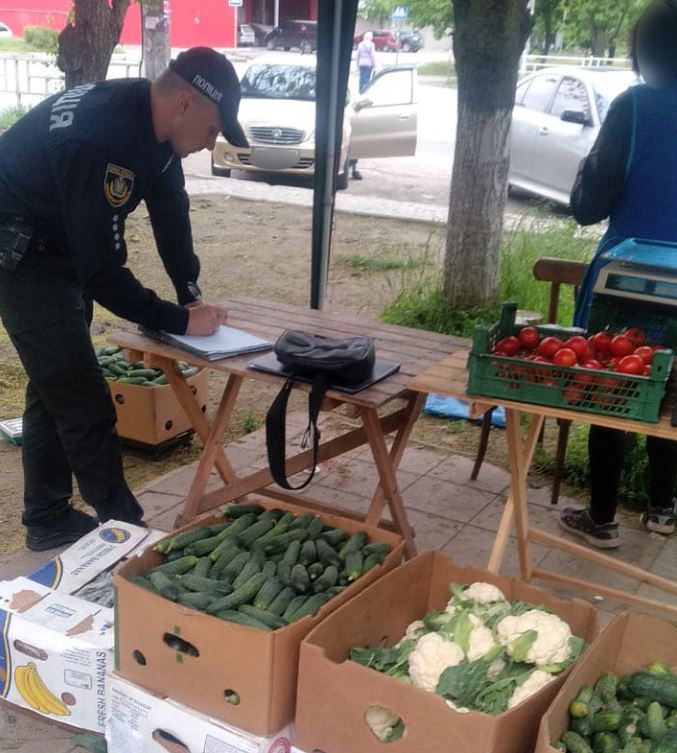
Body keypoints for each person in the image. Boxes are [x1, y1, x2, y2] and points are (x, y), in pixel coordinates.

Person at [0, 47, 249, 551]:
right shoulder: (99, 138)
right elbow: (103, 276)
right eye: (212, 130)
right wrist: (177, 320)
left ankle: (47, 518)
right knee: (81, 397)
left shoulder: (156, 131)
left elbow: (171, 210)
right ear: (185, 103)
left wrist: (190, 293)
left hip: (59, 241)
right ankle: (127, 533)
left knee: (56, 385)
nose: (211, 143)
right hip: (19, 251)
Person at [559, 0, 677, 549]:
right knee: (671, 390)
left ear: (645, 51)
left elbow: (587, 205)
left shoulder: (632, 107)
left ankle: (602, 517)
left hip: (626, 280)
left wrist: (586, 173)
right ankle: (662, 507)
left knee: (613, 385)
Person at [350, 31, 377, 180]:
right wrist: (375, 64)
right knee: (366, 83)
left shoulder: (360, 45)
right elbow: (372, 55)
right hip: (368, 65)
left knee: (362, 82)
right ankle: (364, 90)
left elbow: (358, 56)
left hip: (361, 64)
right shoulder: (371, 45)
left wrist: (355, 65)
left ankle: (362, 90)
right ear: (370, 38)